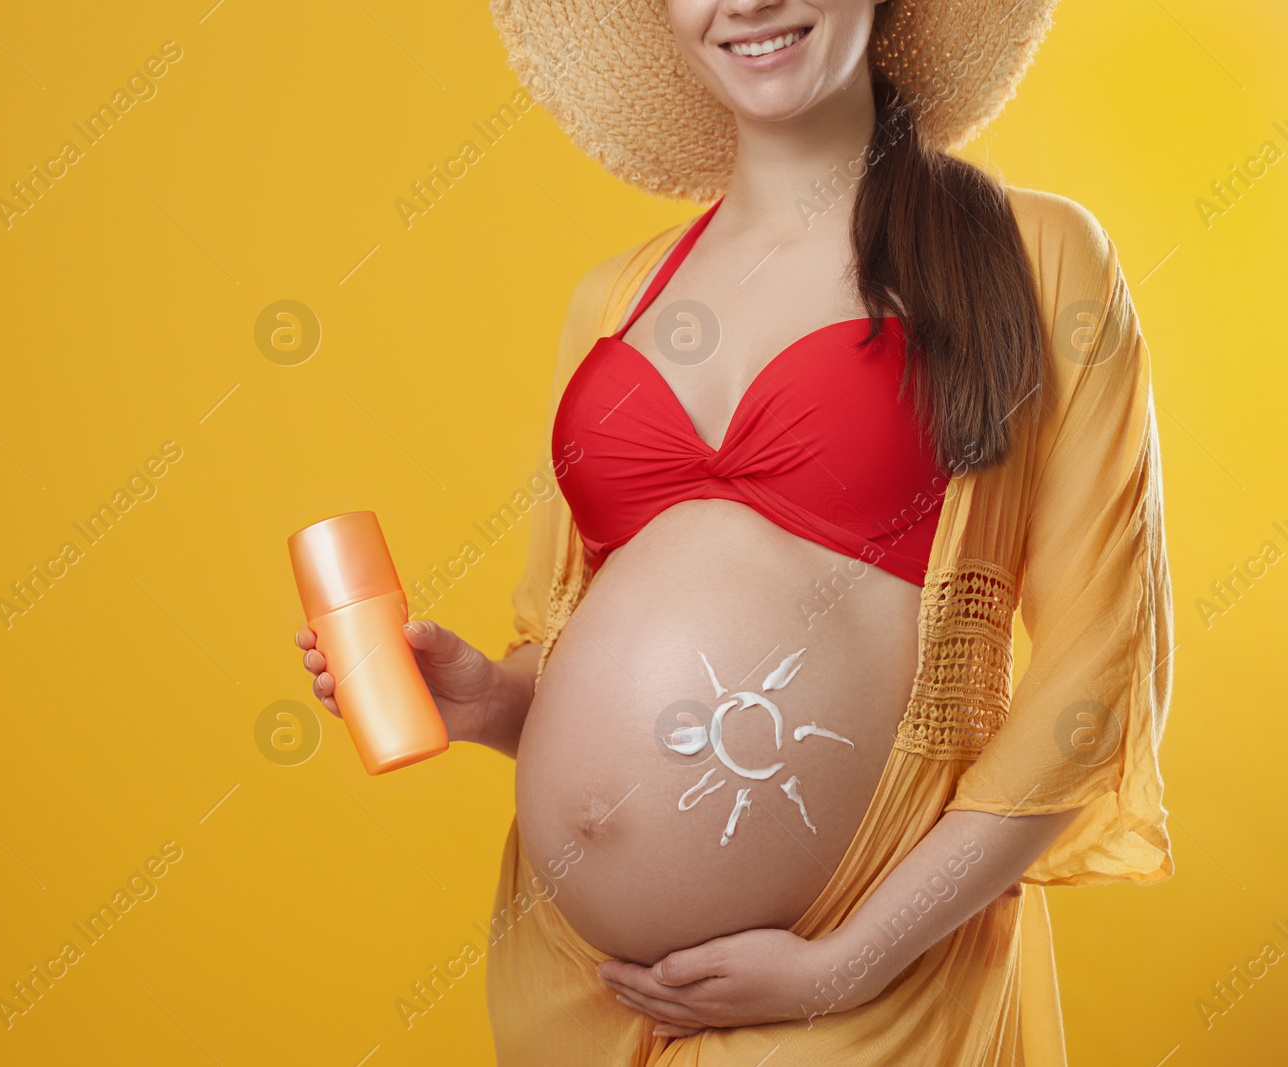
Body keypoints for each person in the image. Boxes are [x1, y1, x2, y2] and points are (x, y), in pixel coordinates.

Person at [297, 0, 1175, 1061]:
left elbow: (1097, 673)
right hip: (577, 990)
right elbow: (574, 639)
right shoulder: (613, 301)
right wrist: (490, 700)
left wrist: (841, 966)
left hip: (866, 989)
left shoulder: (1034, 256)